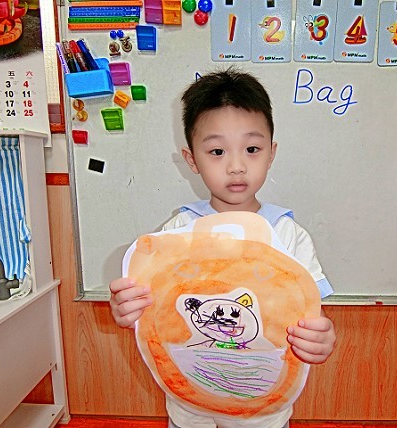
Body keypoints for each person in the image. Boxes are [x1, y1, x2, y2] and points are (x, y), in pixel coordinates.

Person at [109, 67, 336, 428]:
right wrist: (127, 311)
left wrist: (321, 339)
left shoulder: (288, 235)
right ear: (191, 160)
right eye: (217, 151)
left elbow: (312, 316)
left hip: (261, 406)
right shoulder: (177, 233)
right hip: (190, 401)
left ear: (271, 152)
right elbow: (154, 313)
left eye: (252, 149)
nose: (236, 166)